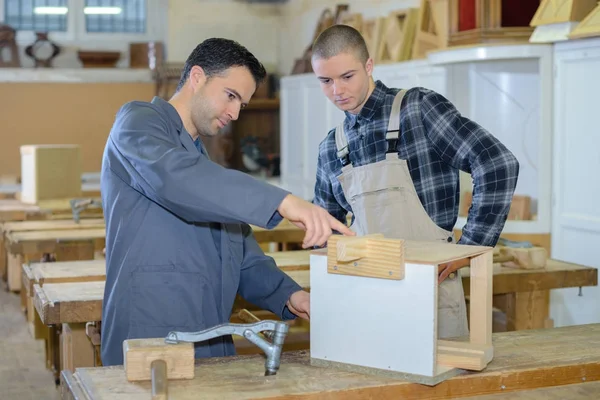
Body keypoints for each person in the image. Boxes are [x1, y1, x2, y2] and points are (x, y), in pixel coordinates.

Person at [99, 37, 354, 366]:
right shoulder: (137, 123)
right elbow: (174, 178)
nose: (234, 113)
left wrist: (289, 295)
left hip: (208, 334)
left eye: (242, 104)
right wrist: (284, 201)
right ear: (197, 77)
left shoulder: (200, 163)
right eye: (230, 96)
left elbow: (237, 249)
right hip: (151, 338)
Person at [310, 25, 519, 339]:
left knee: (443, 385)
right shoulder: (330, 148)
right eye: (325, 81)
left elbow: (497, 164)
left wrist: (471, 247)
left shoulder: (418, 110)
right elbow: (325, 229)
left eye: (347, 76)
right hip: (367, 296)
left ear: (369, 66)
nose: (337, 90)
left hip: (432, 288)